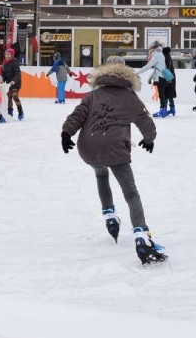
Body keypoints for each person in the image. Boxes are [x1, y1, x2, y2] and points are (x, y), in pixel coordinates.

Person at [61, 55, 166, 265]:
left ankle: (109, 214)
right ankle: (142, 235)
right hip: (116, 150)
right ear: (125, 71)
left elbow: (78, 114)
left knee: (101, 174)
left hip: (89, 147)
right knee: (131, 193)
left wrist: (66, 133)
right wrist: (149, 139)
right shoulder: (129, 97)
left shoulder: (94, 95)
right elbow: (146, 122)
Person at [136, 41, 170, 118]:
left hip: (160, 78)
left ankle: (163, 111)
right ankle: (163, 110)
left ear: (154, 48)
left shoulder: (157, 54)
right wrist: (150, 77)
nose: (150, 51)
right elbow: (156, 68)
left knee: (162, 95)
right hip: (162, 77)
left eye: (151, 49)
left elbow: (148, 66)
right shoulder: (160, 54)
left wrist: (137, 73)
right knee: (162, 95)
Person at [1, 48, 24, 120]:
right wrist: (2, 80)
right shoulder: (4, 64)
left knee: (15, 96)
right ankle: (10, 112)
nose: (7, 56)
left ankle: (20, 112)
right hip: (8, 84)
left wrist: (14, 80)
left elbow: (18, 74)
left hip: (16, 83)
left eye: (8, 54)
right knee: (9, 98)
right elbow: (3, 74)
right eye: (6, 54)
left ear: (11, 55)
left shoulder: (15, 62)